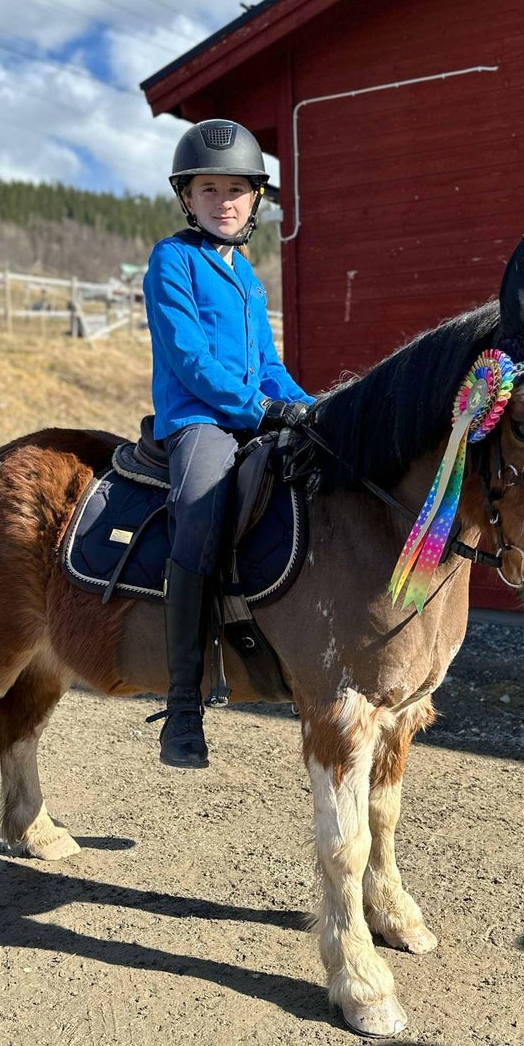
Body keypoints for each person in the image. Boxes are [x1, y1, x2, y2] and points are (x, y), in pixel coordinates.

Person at [143, 119, 314, 769]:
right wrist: (262, 409)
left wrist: (310, 407)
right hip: (198, 422)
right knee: (202, 506)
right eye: (209, 189)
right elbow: (189, 359)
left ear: (255, 200)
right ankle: (183, 705)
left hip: (252, 415)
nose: (223, 201)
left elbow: (268, 365)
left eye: (236, 190)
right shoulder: (172, 260)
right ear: (187, 197)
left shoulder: (246, 277)